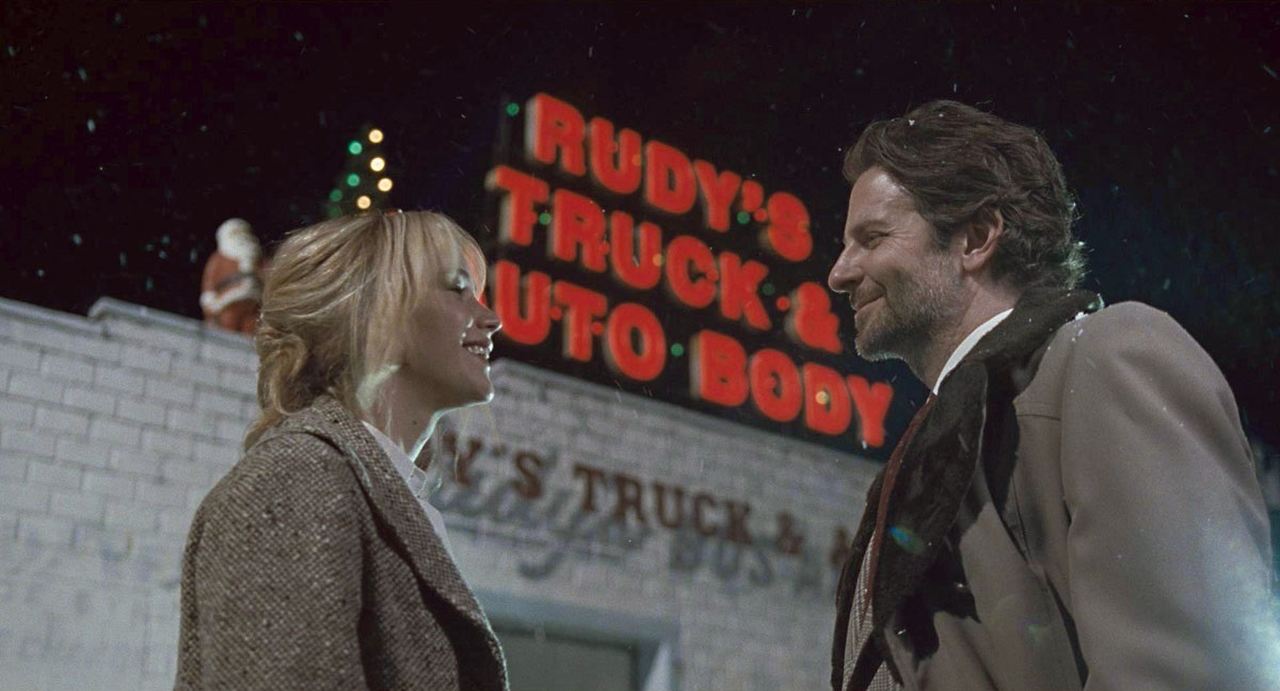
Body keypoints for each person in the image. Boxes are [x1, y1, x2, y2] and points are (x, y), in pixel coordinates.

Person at [826, 101, 1275, 690]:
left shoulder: (1107, 357)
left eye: (872, 238)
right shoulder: (957, 429)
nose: (839, 272)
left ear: (976, 237)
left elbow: (1192, 675)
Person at [176, 210, 508, 690]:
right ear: (374, 310)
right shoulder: (296, 482)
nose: (492, 319)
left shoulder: (365, 491)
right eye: (458, 290)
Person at [199, 217, 266, 334]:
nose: (241, 237)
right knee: (228, 323)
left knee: (252, 327)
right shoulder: (219, 258)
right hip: (227, 302)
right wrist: (209, 300)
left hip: (254, 303)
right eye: (236, 233)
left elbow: (269, 279)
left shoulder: (258, 258)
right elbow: (209, 281)